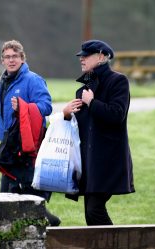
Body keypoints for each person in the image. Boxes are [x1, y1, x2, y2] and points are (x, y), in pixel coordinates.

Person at [0, 40, 60, 226]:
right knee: (6, 201)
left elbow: (46, 107)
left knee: (30, 203)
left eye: (15, 56)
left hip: (27, 150)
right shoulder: (2, 82)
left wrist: (24, 107)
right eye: (7, 57)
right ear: (2, 61)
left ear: (22, 58)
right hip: (9, 150)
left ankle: (51, 225)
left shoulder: (33, 80)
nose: (11, 60)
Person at [63, 40, 135, 226]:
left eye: (87, 56)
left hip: (107, 161)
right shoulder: (83, 89)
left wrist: (92, 103)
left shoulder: (118, 81)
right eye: (81, 56)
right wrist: (67, 114)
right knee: (91, 213)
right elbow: (80, 127)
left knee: (94, 210)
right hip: (88, 161)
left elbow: (117, 115)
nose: (82, 59)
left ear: (102, 56)